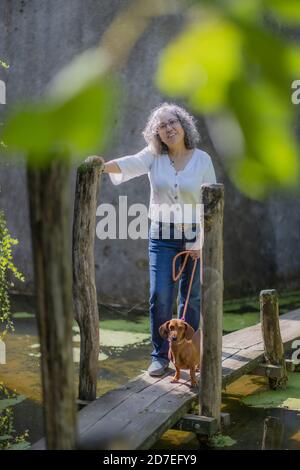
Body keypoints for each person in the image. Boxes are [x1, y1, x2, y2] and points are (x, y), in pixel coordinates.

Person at [94, 102, 216, 376]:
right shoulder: (153, 156)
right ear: (156, 134)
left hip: (193, 235)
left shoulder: (202, 160)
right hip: (161, 235)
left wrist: (199, 241)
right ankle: (160, 356)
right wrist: (101, 166)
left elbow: (210, 203)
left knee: (190, 299)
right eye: (161, 126)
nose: (168, 128)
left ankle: (190, 354)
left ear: (183, 125)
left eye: (172, 122)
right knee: (160, 296)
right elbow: (131, 164)